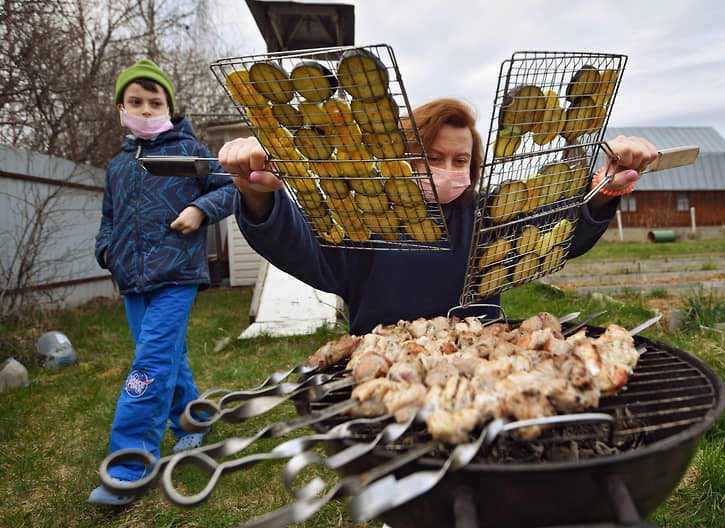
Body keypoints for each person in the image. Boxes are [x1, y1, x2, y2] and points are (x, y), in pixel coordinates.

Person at [218, 98, 656, 336]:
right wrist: (259, 199)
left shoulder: (489, 218)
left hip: (482, 357)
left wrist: (604, 192)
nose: (448, 169)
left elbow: (557, 234)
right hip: (385, 365)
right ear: (403, 158)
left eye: (460, 159)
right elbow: (302, 246)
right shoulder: (367, 219)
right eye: (431, 156)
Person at [89, 59, 236, 506]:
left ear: (169, 107)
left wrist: (200, 210)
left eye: (156, 102)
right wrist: (107, 252)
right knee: (165, 355)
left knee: (149, 364)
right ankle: (193, 421)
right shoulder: (118, 166)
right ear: (121, 107)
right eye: (136, 102)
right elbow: (108, 220)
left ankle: (130, 466)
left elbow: (231, 187)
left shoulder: (189, 151)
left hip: (176, 275)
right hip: (132, 279)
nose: (147, 109)